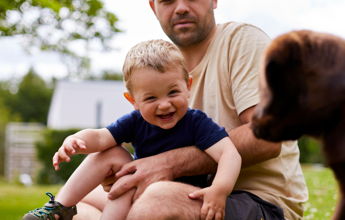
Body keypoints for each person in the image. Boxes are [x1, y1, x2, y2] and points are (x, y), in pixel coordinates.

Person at [36, 0, 308, 219]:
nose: (180, 7)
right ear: (154, 7)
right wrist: (127, 176)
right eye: (167, 0)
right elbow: (106, 139)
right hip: (182, 191)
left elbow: (268, 138)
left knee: (156, 201)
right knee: (81, 204)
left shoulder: (242, 41)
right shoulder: (160, 66)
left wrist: (165, 165)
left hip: (255, 202)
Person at [23, 39, 242, 220]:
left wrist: (220, 189)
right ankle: (59, 207)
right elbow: (100, 138)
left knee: (124, 183)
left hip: (170, 202)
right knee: (112, 153)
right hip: (135, 190)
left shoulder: (196, 122)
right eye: (151, 98)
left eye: (173, 92)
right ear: (133, 100)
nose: (164, 104)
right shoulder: (136, 121)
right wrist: (75, 140)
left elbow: (229, 154)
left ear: (188, 86)